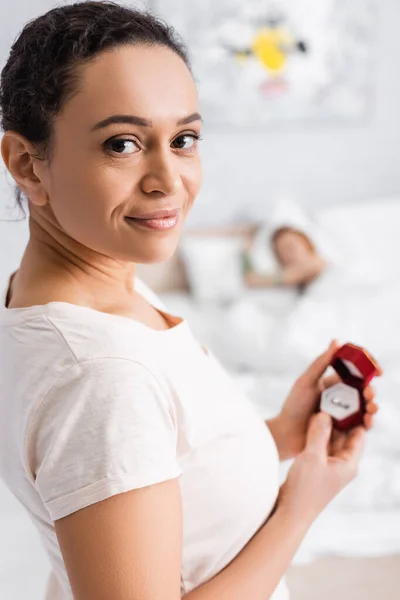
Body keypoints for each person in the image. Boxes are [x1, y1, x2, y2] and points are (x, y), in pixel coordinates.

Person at [0, 3, 380, 600]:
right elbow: (112, 416)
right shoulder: (100, 376)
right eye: (122, 143)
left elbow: (142, 469)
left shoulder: (99, 279)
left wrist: (279, 435)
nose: (168, 179)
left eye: (183, 139)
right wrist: (299, 508)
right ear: (27, 162)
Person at [242, 225, 327, 290]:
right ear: (281, 259)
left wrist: (244, 255)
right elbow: (250, 280)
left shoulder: (308, 266)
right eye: (283, 249)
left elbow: (252, 280)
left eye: (292, 244)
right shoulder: (295, 273)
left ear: (306, 243)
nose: (291, 251)